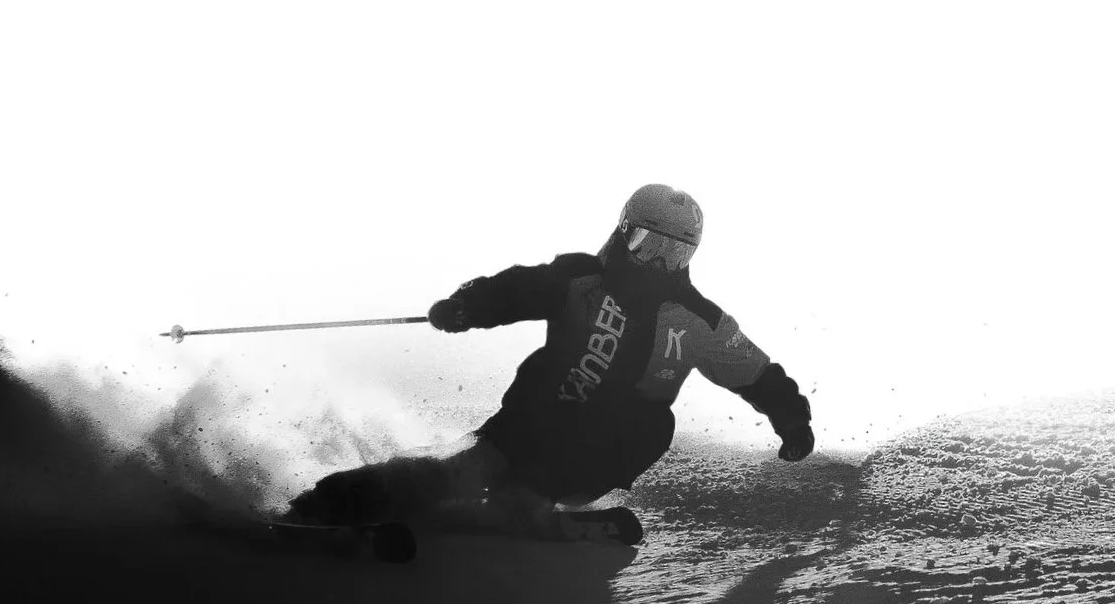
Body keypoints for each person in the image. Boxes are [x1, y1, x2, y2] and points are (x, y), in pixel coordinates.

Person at [285, 184, 815, 541]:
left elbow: (756, 372)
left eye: (673, 253)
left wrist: (791, 420)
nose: (656, 261)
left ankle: (522, 513)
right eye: (647, 242)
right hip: (529, 425)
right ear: (623, 231)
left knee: (515, 498)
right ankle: (328, 505)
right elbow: (519, 289)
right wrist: (470, 305)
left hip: (604, 450)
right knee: (462, 470)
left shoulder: (698, 321)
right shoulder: (581, 280)